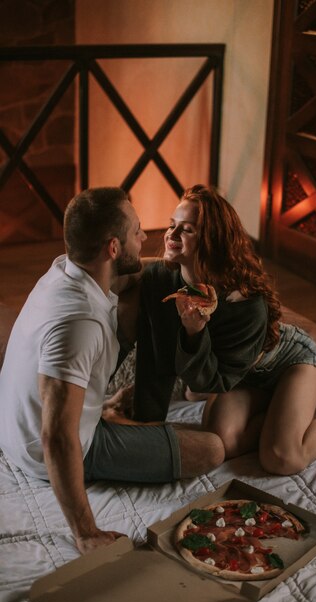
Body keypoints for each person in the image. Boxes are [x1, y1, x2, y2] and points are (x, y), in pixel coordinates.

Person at [0, 187, 225, 556]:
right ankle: (111, 419)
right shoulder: (79, 325)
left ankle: (118, 409)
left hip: (12, 429)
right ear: (114, 249)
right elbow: (56, 436)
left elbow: (142, 275)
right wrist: (86, 532)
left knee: (144, 287)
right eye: (137, 231)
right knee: (212, 450)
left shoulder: (64, 269)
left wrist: (190, 270)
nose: (145, 236)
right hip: (43, 451)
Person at [118, 184, 316, 476]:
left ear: (212, 239)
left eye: (186, 229)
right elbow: (156, 358)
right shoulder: (160, 280)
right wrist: (145, 425)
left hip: (289, 364)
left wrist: (194, 333)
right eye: (172, 225)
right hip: (243, 376)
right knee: (222, 442)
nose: (171, 235)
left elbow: (212, 382)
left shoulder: (246, 304)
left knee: (281, 458)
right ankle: (295, 415)